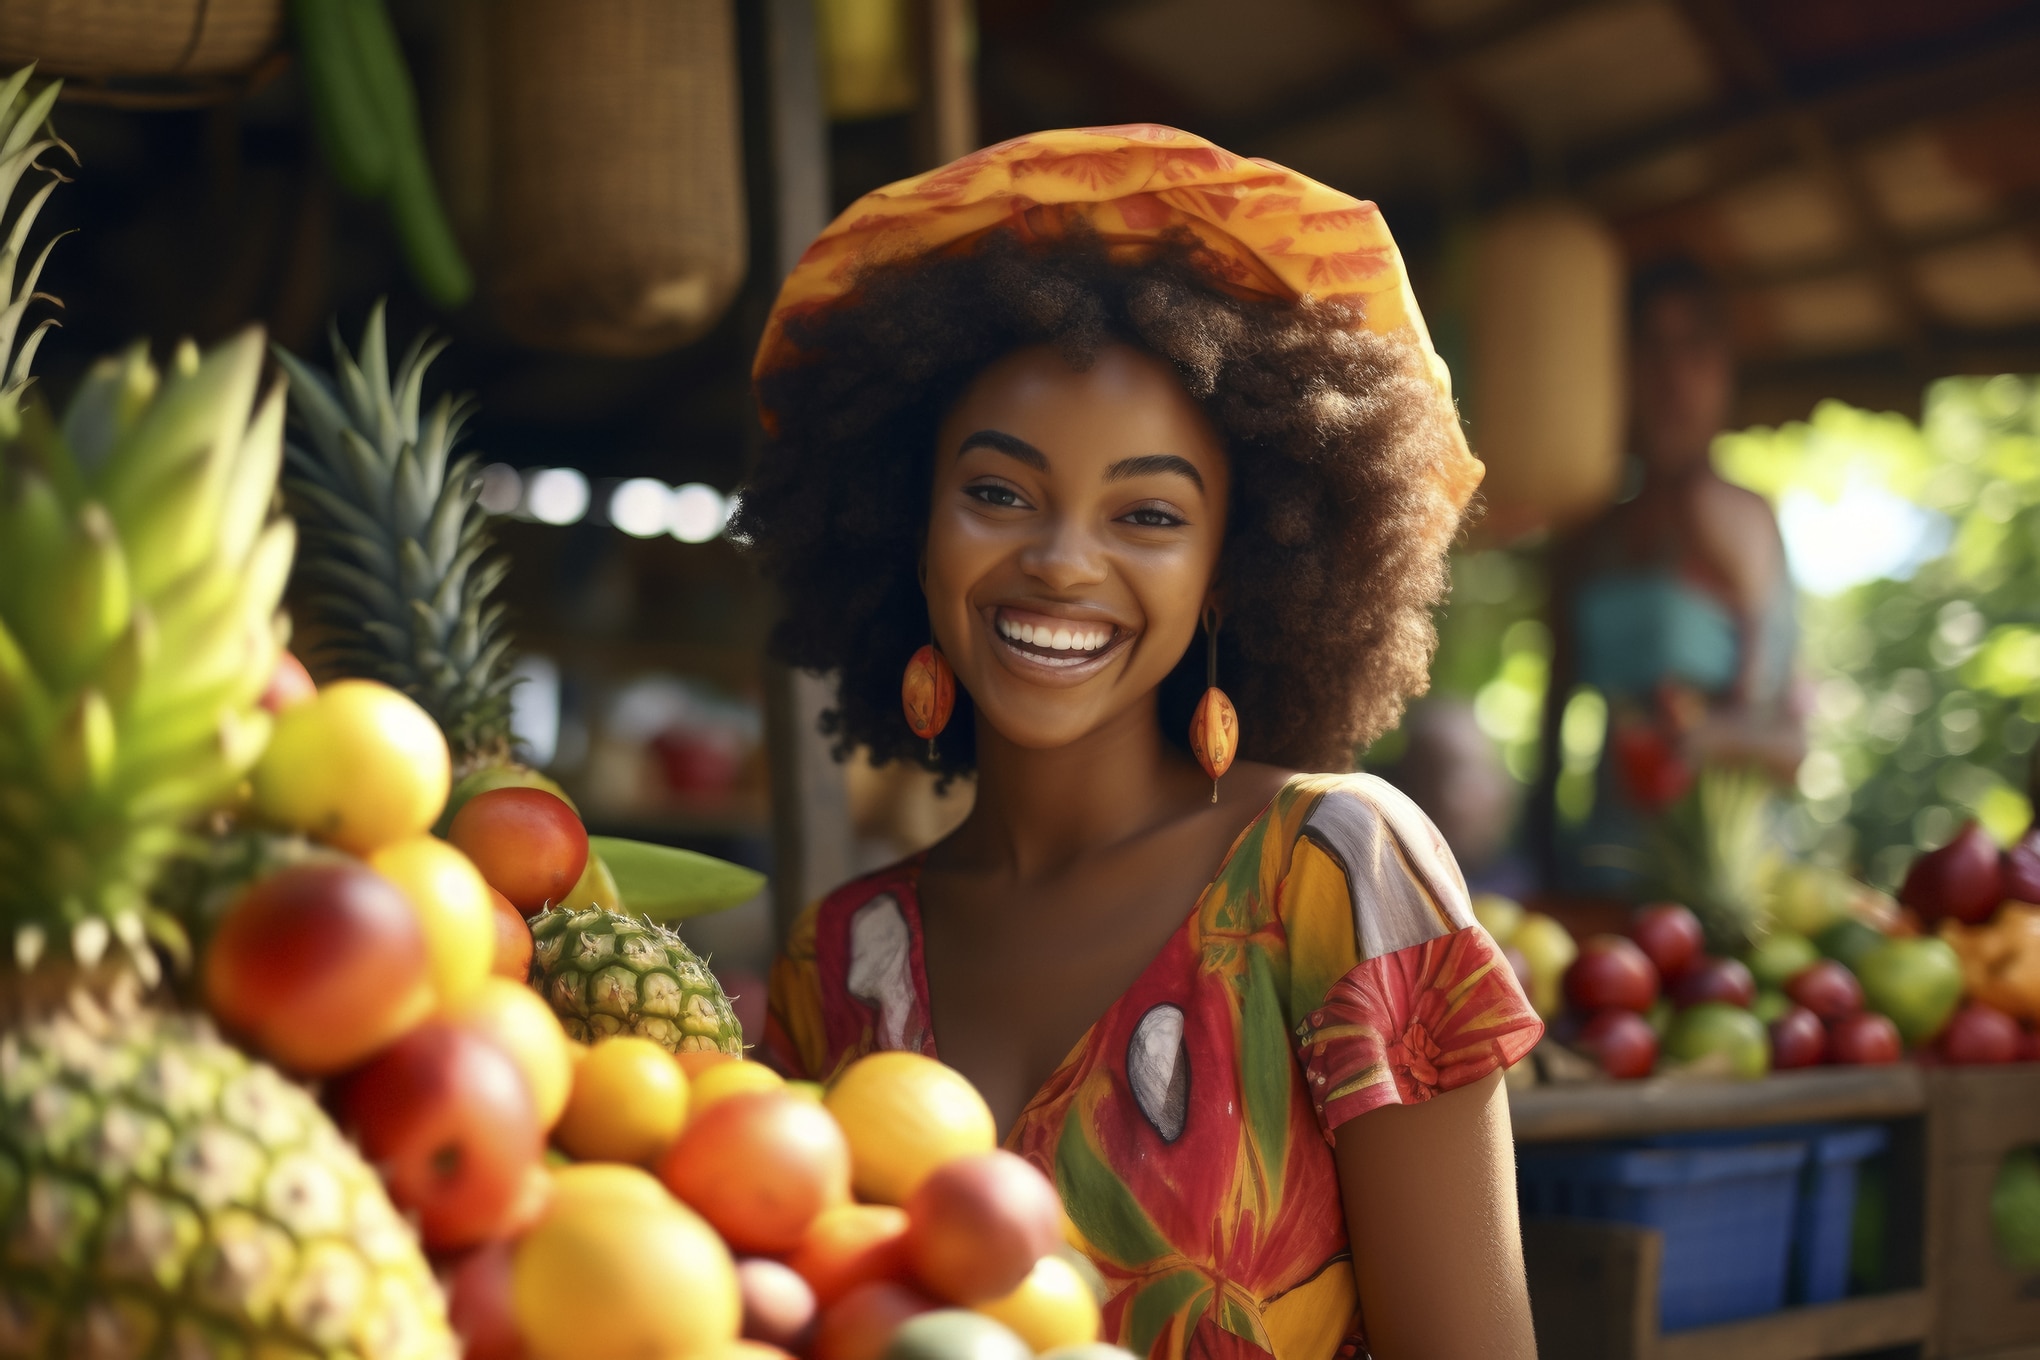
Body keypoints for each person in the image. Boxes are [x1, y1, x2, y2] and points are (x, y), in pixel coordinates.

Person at [737, 127, 1544, 1360]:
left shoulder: (1333, 871)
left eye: (1149, 513)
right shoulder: (839, 963)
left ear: (1232, 572)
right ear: (912, 526)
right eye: (999, 492)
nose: (1062, 559)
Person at [1535, 257, 1807, 897]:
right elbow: (1552, 732)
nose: (1671, 376)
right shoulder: (1588, 538)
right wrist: (1542, 868)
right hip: (1602, 876)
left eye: (1693, 347)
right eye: (1649, 349)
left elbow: (1792, 746)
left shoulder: (1750, 522)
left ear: (1723, 369)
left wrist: (1703, 739)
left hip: (1736, 887)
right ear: (1619, 369)